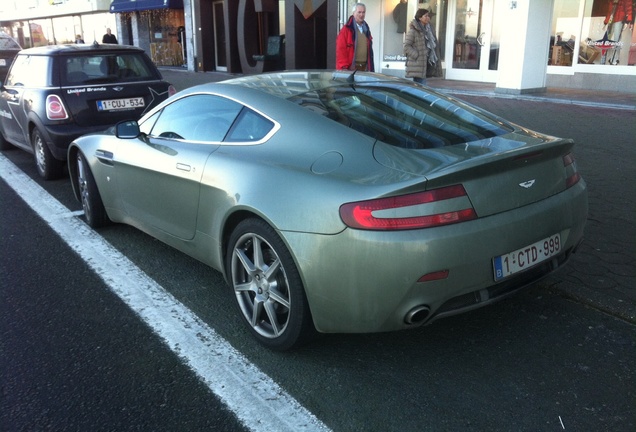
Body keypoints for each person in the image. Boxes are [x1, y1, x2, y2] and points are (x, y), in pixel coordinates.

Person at [336, 3, 375, 72]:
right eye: (359, 12)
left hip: (365, 68)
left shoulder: (366, 29)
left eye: (363, 12)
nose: (361, 15)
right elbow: (340, 50)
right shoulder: (346, 30)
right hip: (351, 69)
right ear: (353, 13)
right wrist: (344, 68)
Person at [403, 9, 438, 85]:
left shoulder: (428, 30)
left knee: (420, 87)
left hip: (425, 63)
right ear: (420, 18)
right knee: (421, 87)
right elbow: (406, 46)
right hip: (417, 64)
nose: (428, 18)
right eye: (425, 16)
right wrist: (417, 55)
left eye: (428, 16)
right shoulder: (413, 31)